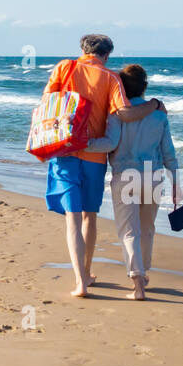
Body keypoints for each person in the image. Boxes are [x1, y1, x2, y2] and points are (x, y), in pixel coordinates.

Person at [41, 34, 163, 298]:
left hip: (65, 152)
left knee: (72, 218)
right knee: (89, 216)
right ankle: (88, 271)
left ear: (82, 50)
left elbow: (47, 104)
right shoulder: (111, 78)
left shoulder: (64, 67)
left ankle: (81, 282)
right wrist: (155, 105)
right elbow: (126, 114)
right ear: (106, 55)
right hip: (95, 160)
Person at [83, 64, 180, 301]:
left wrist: (83, 144)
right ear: (144, 87)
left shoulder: (116, 114)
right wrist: (176, 181)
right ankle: (144, 274)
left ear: (121, 88)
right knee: (147, 229)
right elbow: (168, 152)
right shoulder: (159, 115)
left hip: (125, 176)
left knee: (129, 232)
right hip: (154, 176)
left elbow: (109, 143)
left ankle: (137, 284)